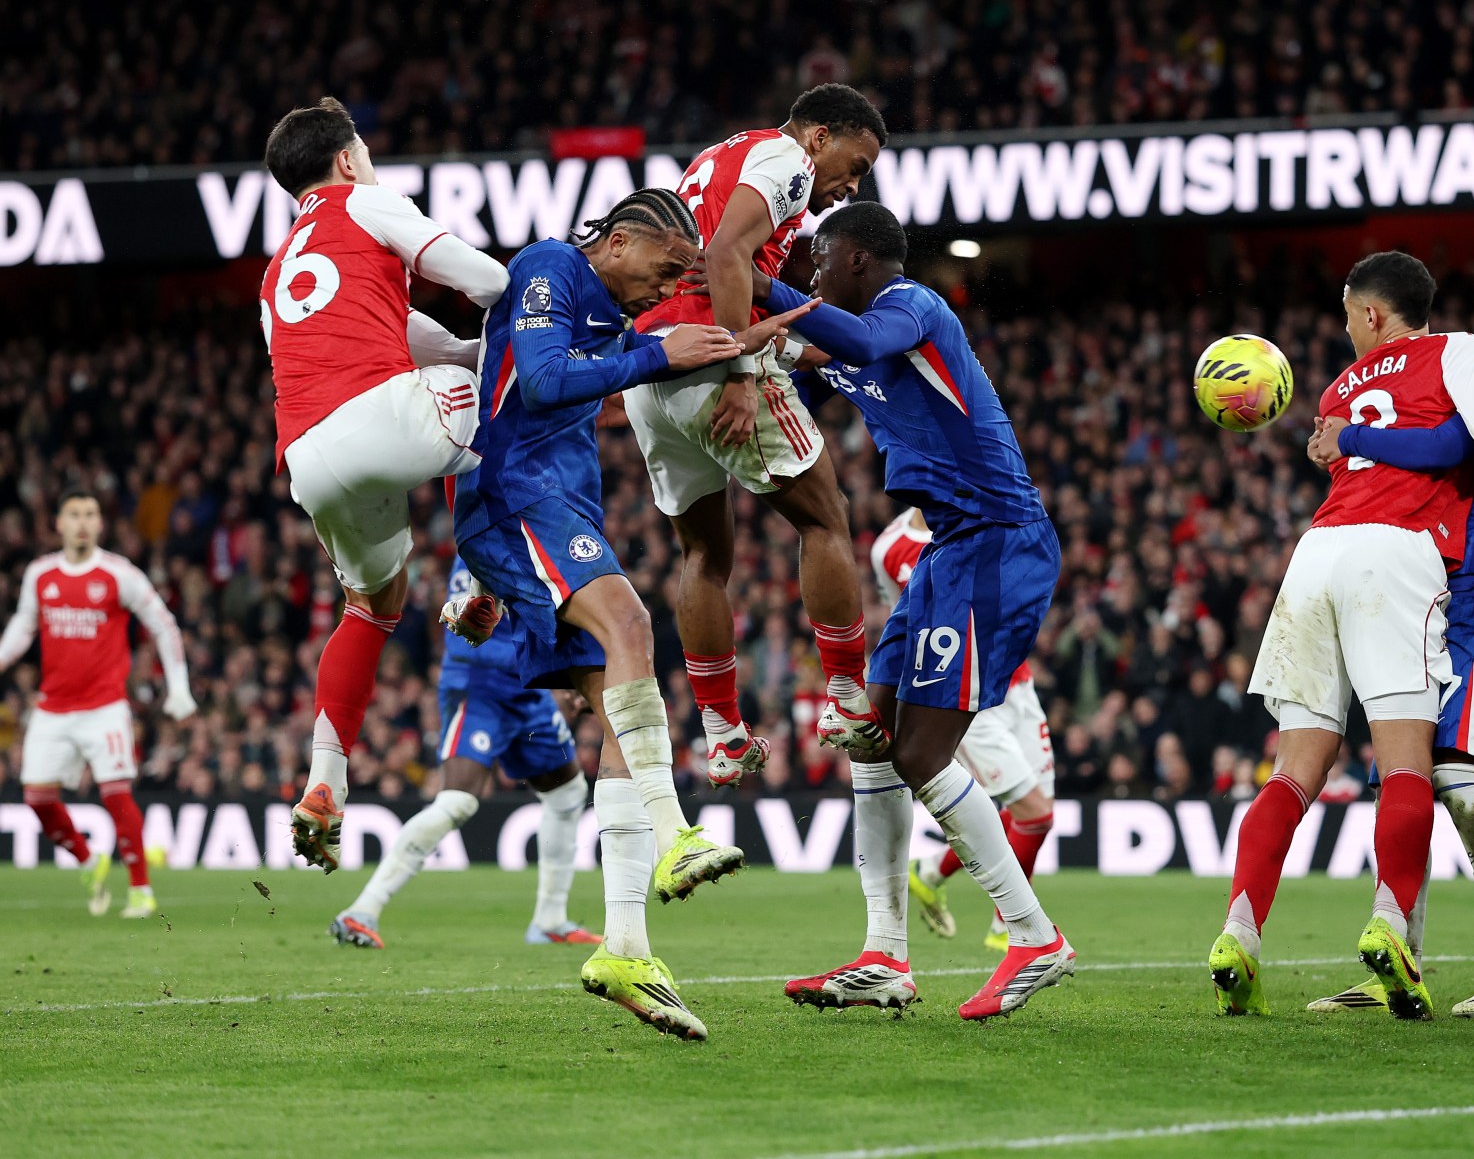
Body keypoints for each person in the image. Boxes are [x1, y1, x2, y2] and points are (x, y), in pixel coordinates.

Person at [450, 188, 808, 1042]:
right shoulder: (549, 266)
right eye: (667, 266)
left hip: (559, 507)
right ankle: (675, 832)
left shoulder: (612, 318)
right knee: (635, 628)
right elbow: (542, 382)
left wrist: (741, 341)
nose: (669, 285)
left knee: (617, 705)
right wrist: (658, 354)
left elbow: (631, 357)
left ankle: (625, 949)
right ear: (616, 241)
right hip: (516, 498)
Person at [1209, 251, 1474, 1022]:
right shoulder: (1454, 358)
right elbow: (1451, 444)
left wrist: (1344, 441)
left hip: (1342, 560)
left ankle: (1240, 933)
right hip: (1405, 562)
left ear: (1371, 314)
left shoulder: (1355, 387)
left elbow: (1450, 439)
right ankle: (1394, 938)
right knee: (1409, 767)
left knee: (1310, 768)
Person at [761, 202, 1075, 1021]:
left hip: (996, 543)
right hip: (948, 550)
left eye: (821, 259)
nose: (812, 272)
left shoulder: (911, 307)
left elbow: (859, 344)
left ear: (858, 260)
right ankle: (884, 956)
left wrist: (758, 287)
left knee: (922, 753)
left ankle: (1034, 936)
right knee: (871, 738)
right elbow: (797, 375)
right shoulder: (846, 339)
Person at [1300, 285, 1474, 1018]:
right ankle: (1399, 960)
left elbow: (1446, 443)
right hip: (1432, 600)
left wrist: (1350, 435)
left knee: (1456, 776)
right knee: (1405, 784)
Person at [257, 97, 511, 872]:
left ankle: (324, 781)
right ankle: (481, 581)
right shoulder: (365, 202)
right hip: (379, 415)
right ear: (346, 160)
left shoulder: (276, 273)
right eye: (364, 151)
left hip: (307, 457)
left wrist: (457, 352)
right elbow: (488, 279)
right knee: (505, 390)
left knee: (371, 608)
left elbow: (397, 329)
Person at [623, 84, 885, 788]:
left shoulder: (723, 154)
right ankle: (847, 697)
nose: (852, 186)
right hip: (713, 356)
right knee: (825, 517)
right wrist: (741, 369)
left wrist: (796, 351)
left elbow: (704, 259)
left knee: (704, 553)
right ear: (820, 137)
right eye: (855, 165)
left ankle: (723, 735)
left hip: (652, 364)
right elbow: (728, 254)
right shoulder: (787, 160)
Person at [329, 558, 599, 950]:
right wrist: (557, 673)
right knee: (457, 801)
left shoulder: (536, 538)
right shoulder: (483, 543)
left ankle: (550, 920)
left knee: (567, 793)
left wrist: (567, 675)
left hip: (529, 691)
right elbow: (465, 631)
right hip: (480, 688)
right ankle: (362, 910)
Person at [0, 490, 193, 919]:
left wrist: (178, 687)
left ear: (100, 524)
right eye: (74, 514)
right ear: (58, 523)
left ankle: (141, 890)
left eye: (90, 514)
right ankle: (89, 861)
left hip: (104, 707)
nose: (83, 522)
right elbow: (23, 627)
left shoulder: (119, 574)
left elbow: (164, 625)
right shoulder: (40, 574)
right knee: (37, 798)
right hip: (52, 707)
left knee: (117, 795)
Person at [872, 509, 1058, 952]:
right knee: (1035, 813)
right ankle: (1009, 929)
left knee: (1036, 815)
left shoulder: (987, 512)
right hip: (966, 695)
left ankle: (932, 872)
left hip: (1018, 684)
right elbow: (901, 622)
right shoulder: (888, 549)